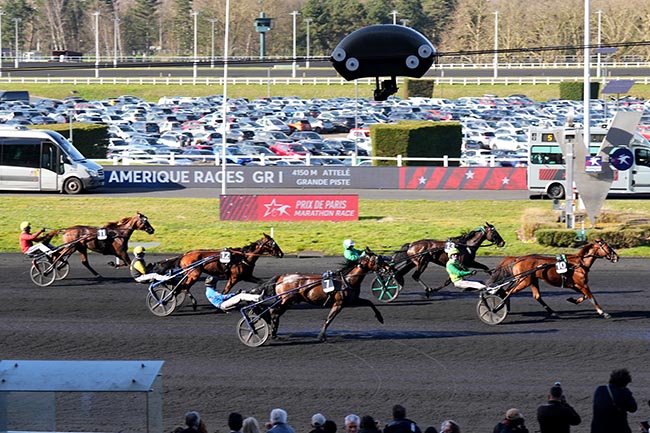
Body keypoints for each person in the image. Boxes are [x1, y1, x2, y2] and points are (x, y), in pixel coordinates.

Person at [591, 368, 638, 433]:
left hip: (597, 428)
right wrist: (627, 393)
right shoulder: (623, 393)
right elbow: (633, 408)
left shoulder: (599, 389)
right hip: (617, 428)